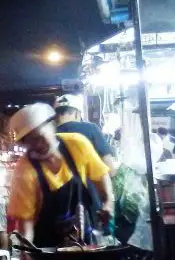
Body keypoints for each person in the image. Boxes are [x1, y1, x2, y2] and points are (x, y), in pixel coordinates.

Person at [8, 103, 114, 247]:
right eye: (31, 141)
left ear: (52, 126)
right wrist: (27, 259)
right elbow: (25, 225)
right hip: (49, 248)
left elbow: (101, 175)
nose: (38, 144)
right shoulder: (24, 169)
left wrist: (108, 202)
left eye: (40, 137)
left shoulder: (77, 143)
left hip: (87, 238)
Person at [54, 94, 117, 174]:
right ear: (77, 114)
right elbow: (109, 166)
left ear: (56, 115)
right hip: (91, 185)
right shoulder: (91, 129)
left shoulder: (49, 135)